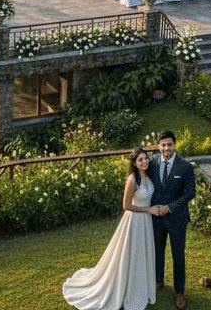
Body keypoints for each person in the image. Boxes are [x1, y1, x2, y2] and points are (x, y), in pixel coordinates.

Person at [62, 148, 160, 310]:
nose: (144, 162)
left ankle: (140, 286)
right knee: (130, 255)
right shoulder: (132, 179)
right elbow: (126, 205)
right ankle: (126, 288)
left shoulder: (148, 177)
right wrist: (148, 210)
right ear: (134, 164)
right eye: (140, 160)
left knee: (142, 254)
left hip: (146, 222)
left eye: (145, 158)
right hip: (134, 221)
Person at [149, 130, 195, 310]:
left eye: (170, 144)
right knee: (157, 251)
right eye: (163, 144)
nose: (166, 148)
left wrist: (169, 208)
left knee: (178, 255)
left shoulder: (185, 166)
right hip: (156, 217)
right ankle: (158, 280)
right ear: (158, 146)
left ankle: (180, 291)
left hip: (176, 218)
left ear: (174, 145)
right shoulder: (151, 162)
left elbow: (190, 193)